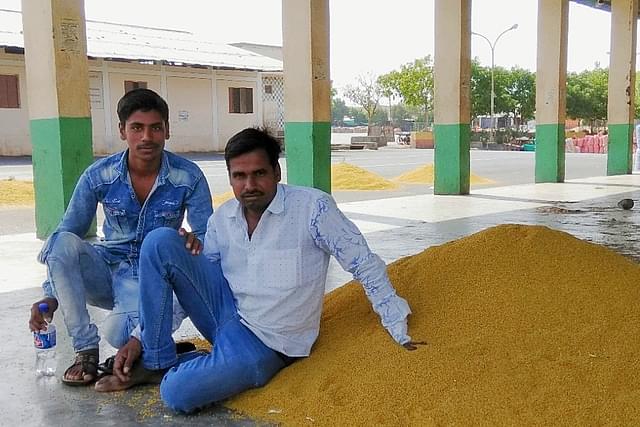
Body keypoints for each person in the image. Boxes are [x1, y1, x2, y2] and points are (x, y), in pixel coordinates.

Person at [95, 127, 421, 413]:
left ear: (276, 172)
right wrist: (140, 339)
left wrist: (397, 325)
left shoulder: (312, 209)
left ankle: (186, 366)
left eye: (259, 174)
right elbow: (194, 286)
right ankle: (156, 359)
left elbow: (363, 262)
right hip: (226, 316)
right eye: (239, 176)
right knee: (161, 241)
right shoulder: (224, 219)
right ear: (231, 178)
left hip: (267, 345)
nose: (249, 185)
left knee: (176, 393)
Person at [28, 88, 213, 386]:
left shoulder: (188, 176)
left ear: (167, 129)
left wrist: (192, 241)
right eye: (137, 128)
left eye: (155, 128)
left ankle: (153, 347)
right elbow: (68, 233)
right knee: (60, 241)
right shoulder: (98, 175)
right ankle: (85, 349)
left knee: (121, 334)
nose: (146, 137)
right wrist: (51, 292)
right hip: (107, 269)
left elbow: (207, 238)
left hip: (153, 276)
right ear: (122, 131)